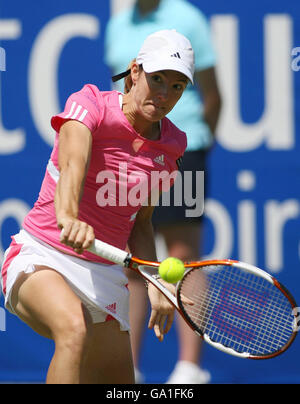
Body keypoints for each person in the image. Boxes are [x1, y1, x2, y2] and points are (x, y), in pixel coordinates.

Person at [0, 29, 194, 384]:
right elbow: (73, 164)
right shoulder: (90, 105)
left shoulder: (173, 146)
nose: (164, 93)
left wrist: (155, 282)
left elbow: (141, 223)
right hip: (42, 254)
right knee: (73, 328)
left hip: (103, 274)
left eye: (177, 86)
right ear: (135, 71)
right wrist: (68, 217)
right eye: (157, 79)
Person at [105, 0, 222, 384]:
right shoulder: (120, 24)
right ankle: (131, 369)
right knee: (134, 262)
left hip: (182, 150)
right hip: (130, 151)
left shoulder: (188, 18)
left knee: (182, 256)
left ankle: (189, 370)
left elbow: (212, 95)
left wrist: (191, 143)